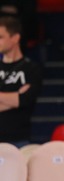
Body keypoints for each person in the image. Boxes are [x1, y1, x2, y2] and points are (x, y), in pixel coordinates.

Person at [0, 16, 42, 147]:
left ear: (15, 38)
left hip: (19, 139)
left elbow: (25, 101)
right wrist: (16, 96)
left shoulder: (31, 69)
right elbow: (19, 100)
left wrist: (19, 99)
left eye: (1, 37)